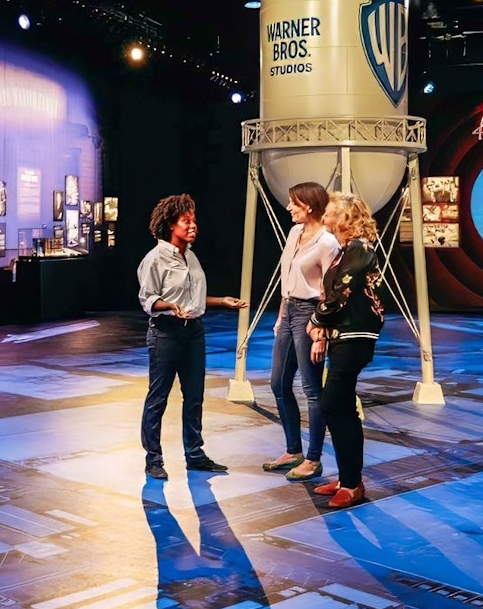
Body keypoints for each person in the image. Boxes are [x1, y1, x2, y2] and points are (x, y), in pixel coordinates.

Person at [137, 193, 247, 480]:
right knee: (158, 398)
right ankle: (153, 458)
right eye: (186, 221)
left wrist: (222, 301)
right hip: (166, 333)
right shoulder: (155, 259)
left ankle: (195, 454)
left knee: (195, 397)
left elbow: (192, 299)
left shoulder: (191, 256)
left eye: (194, 220)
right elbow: (148, 299)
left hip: (194, 333)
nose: (193, 225)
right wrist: (169, 306)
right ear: (170, 225)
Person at [303, 193, 384, 509]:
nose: (324, 214)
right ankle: (349, 478)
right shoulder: (346, 251)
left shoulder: (359, 249)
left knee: (333, 403)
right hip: (344, 335)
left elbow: (342, 289)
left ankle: (352, 484)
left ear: (345, 216)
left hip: (356, 335)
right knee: (340, 405)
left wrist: (316, 319)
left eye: (330, 210)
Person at [262, 182, 340, 482]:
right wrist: (281, 316)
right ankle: (293, 450)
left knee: (311, 388)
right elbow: (287, 277)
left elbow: (329, 291)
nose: (288, 207)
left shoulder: (327, 242)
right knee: (278, 383)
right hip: (290, 310)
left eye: (293, 203)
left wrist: (321, 330)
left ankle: (313, 459)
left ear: (309, 205)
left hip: (311, 314)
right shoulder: (294, 233)